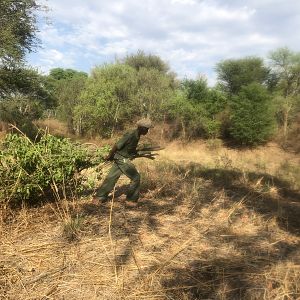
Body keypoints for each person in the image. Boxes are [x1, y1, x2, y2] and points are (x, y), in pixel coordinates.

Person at [94, 118, 154, 207]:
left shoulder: (137, 135)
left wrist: (143, 154)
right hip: (121, 159)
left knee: (111, 177)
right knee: (136, 177)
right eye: (147, 129)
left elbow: (130, 150)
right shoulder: (131, 134)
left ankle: (99, 198)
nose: (147, 131)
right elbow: (117, 145)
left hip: (121, 158)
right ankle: (131, 200)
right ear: (142, 128)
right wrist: (110, 155)